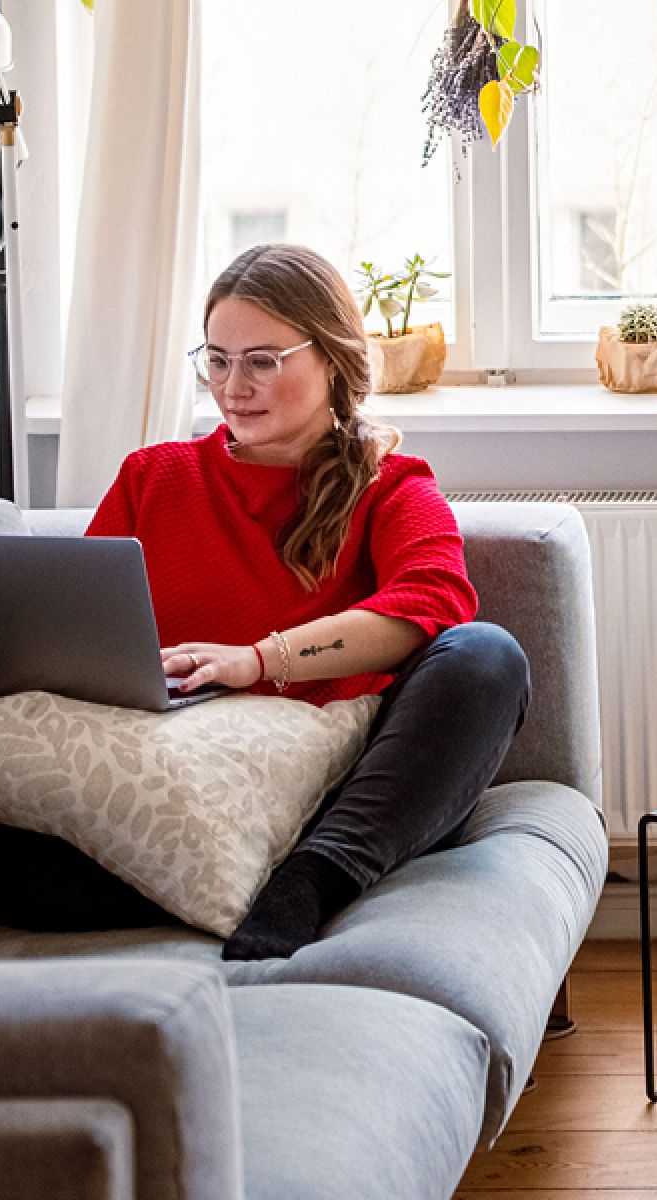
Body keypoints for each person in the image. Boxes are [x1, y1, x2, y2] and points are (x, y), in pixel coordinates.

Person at [79, 242, 533, 961]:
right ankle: (214, 872)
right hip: (181, 780)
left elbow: (438, 598)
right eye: (218, 359)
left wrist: (259, 661)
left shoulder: (392, 485)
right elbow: (81, 621)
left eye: (262, 360)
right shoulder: (151, 478)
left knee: (486, 657)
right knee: (30, 867)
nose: (234, 385)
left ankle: (313, 880)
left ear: (333, 361)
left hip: (336, 791)